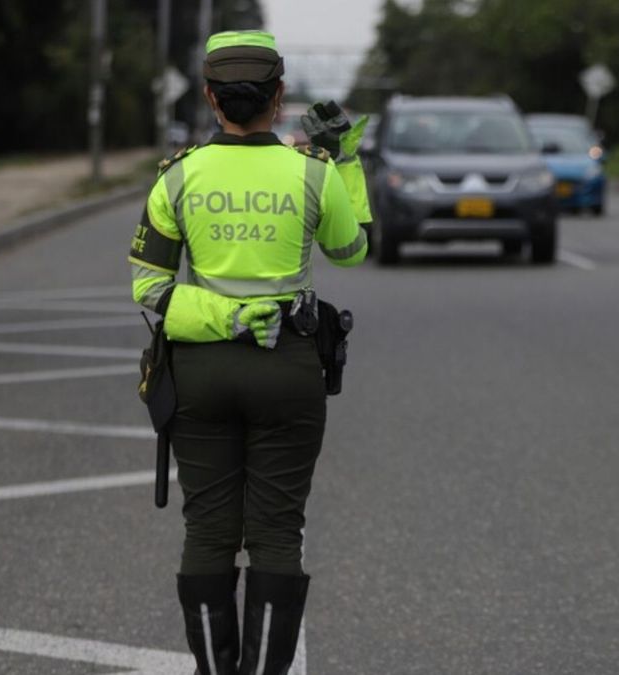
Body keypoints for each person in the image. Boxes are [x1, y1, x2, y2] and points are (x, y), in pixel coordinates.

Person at [127, 30, 367, 674]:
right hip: (289, 367)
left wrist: (225, 316)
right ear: (280, 97)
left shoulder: (177, 178)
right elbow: (352, 249)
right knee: (277, 533)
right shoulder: (313, 172)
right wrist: (343, 158)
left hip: (200, 370)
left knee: (207, 530)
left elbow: (148, 287)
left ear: (211, 99)